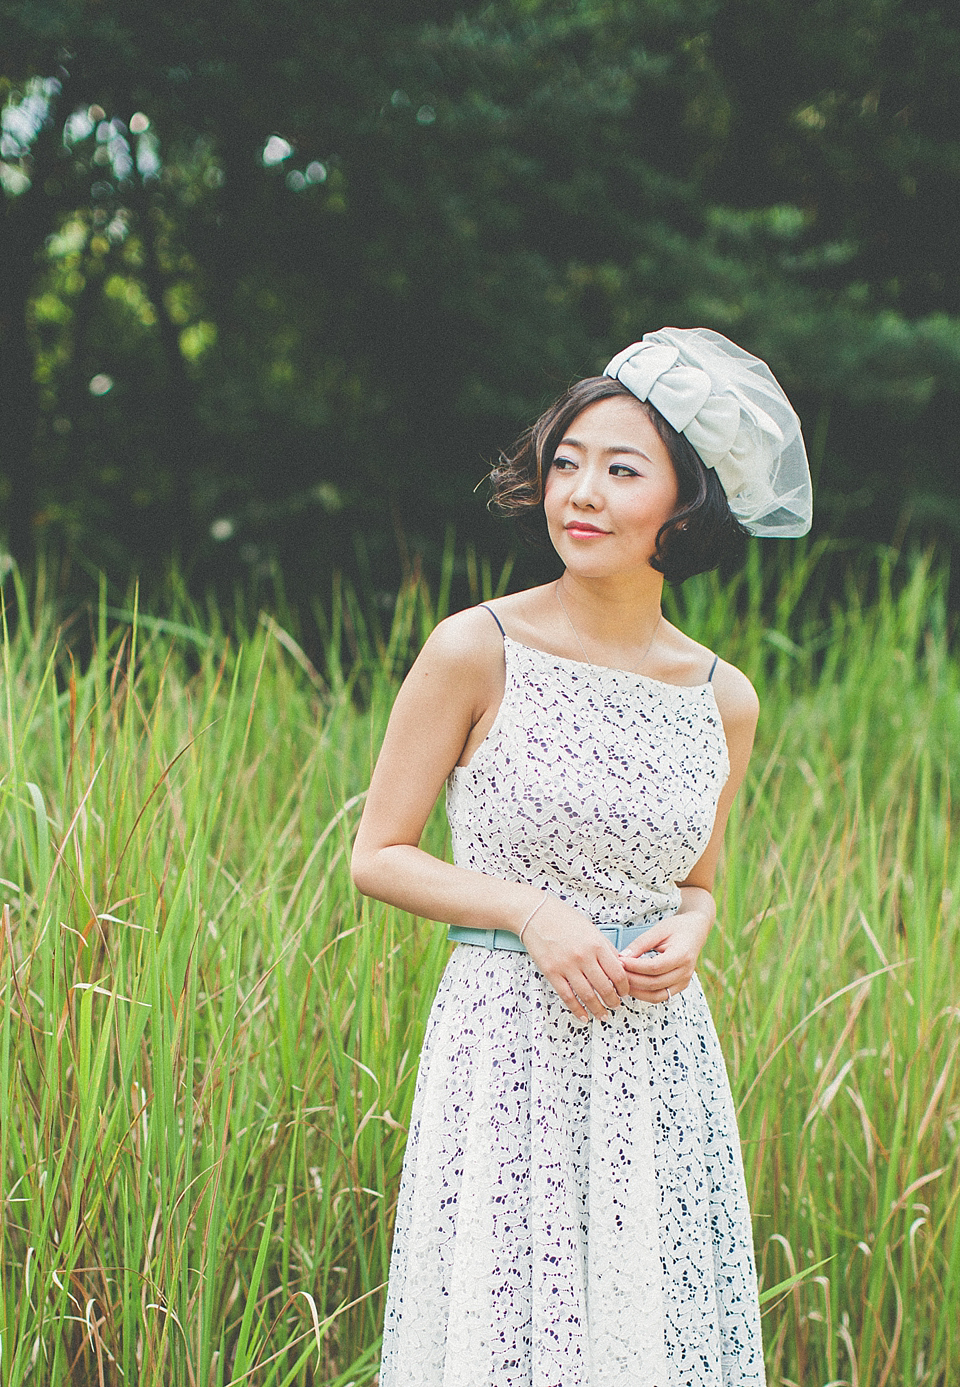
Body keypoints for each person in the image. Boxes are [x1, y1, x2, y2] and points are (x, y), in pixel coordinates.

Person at [351, 327, 812, 1387]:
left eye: (620, 468)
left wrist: (689, 937)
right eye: (566, 462)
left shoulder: (721, 698)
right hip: (508, 1045)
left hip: (657, 1058)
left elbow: (697, 886)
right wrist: (531, 914)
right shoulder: (477, 647)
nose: (581, 492)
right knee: (507, 1336)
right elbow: (378, 852)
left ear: (683, 504)